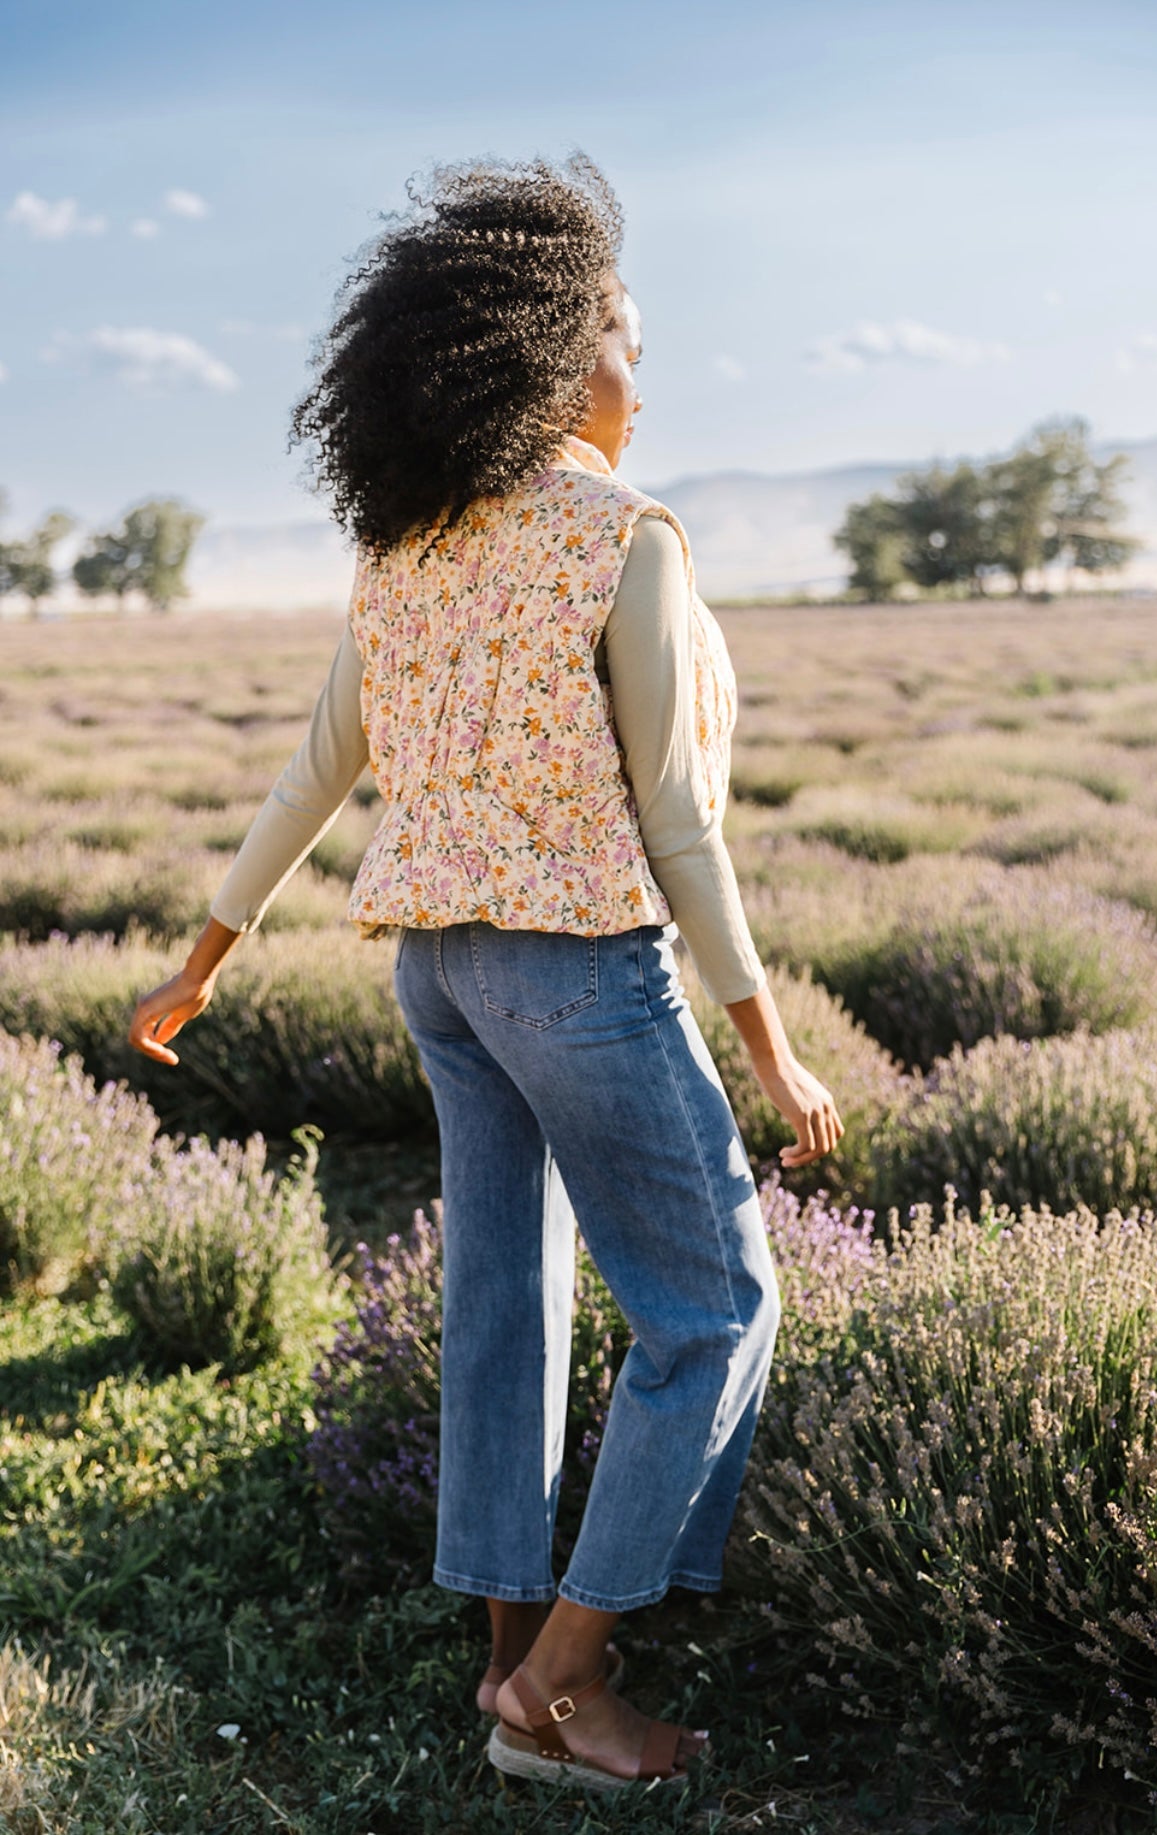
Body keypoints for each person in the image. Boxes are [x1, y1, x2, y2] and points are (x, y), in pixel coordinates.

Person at [128, 154, 842, 1791]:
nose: (640, 379)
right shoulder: (622, 538)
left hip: (438, 974)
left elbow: (315, 770)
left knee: (501, 1301)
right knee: (717, 1308)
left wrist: (203, 959)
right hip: (579, 973)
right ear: (552, 353)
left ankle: (505, 1658)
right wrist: (774, 1050)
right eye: (626, 345)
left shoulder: (411, 540)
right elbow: (679, 829)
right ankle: (568, 1697)